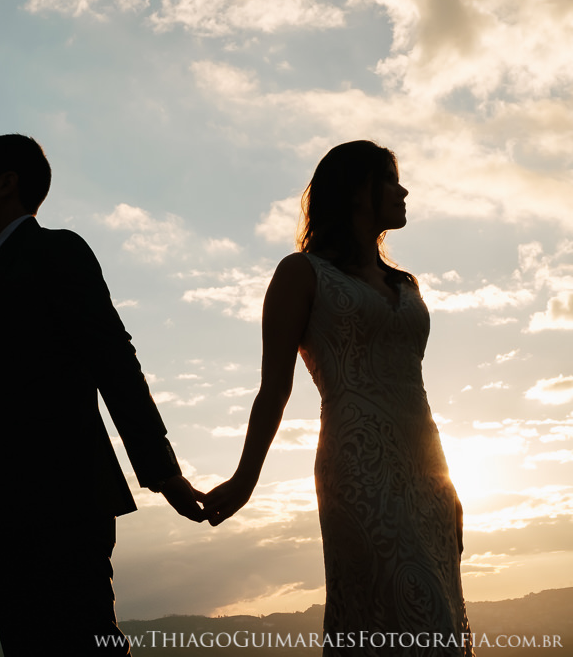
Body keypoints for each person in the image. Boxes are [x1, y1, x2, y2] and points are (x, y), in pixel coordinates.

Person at [202, 141, 473, 655]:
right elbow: (274, 390)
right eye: (389, 180)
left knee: (439, 618)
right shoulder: (300, 274)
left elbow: (414, 391)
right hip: (359, 472)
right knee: (403, 616)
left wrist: (451, 487)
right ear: (355, 191)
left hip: (429, 479)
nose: (403, 190)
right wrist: (244, 479)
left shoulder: (406, 283)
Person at [0, 134, 204, 656]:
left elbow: (114, 360)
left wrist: (161, 471)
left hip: (64, 498)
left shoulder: (57, 251)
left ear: (6, 184)